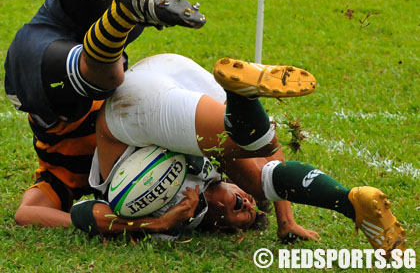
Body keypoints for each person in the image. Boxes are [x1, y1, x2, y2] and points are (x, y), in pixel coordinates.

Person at [69, 53, 405, 258]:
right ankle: (350, 201)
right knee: (260, 157)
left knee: (255, 150)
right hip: (168, 80)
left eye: (240, 215)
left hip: (131, 112)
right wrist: (285, 221)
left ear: (217, 225)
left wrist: (156, 223)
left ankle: (242, 97)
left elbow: (83, 214)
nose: (246, 205)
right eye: (249, 207)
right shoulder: (216, 170)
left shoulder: (175, 222)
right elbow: (271, 155)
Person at [4, 0, 205, 227]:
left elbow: (27, 213)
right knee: (111, 74)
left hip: (42, 64)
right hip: (92, 45)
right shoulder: (151, 148)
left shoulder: (65, 174)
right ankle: (123, 13)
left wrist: (143, 225)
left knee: (106, 77)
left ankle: (122, 13)